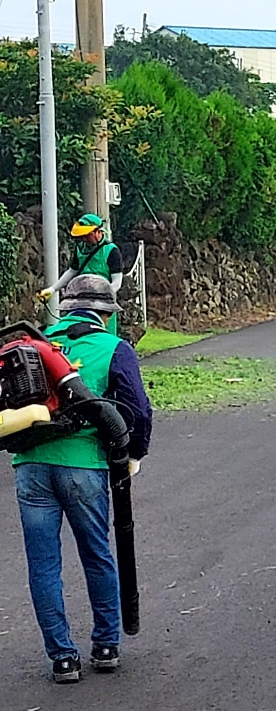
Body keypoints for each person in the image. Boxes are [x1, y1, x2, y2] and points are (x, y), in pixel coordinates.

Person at [14, 274, 153, 683]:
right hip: (84, 466)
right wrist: (134, 454)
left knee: (43, 565)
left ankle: (62, 658)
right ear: (105, 314)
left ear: (66, 308)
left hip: (29, 465)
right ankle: (106, 645)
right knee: (96, 554)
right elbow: (137, 412)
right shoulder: (113, 347)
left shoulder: (34, 344)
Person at [38, 214, 124, 334]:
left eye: (87, 235)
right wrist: (52, 290)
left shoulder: (112, 251)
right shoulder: (80, 249)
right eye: (82, 236)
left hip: (103, 307)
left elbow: (117, 282)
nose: (84, 239)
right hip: (80, 303)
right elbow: (72, 271)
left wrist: (100, 295)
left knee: (103, 338)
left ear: (97, 232)